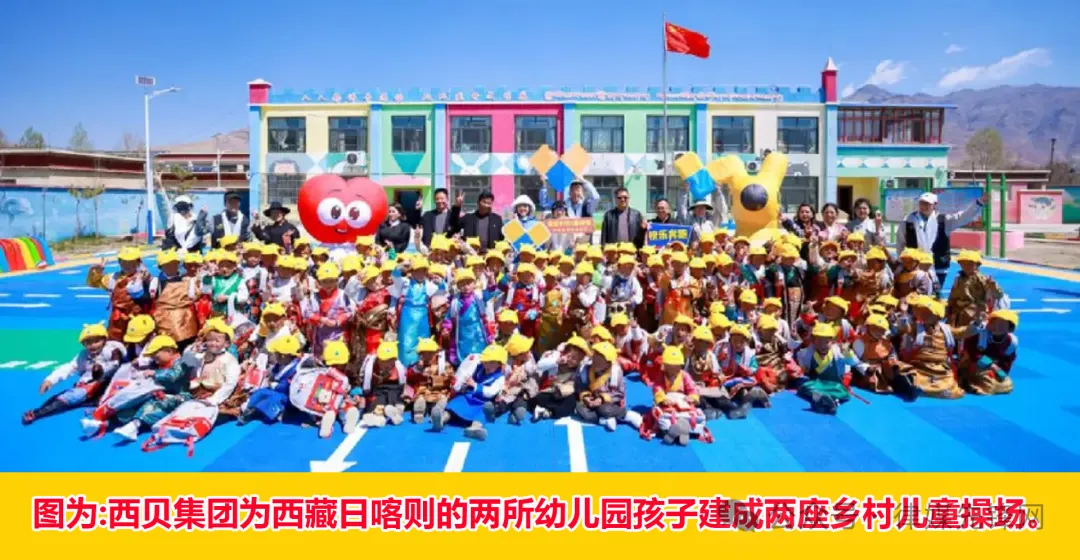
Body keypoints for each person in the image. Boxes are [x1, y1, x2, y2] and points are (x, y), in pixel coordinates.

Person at [896, 191, 985, 291]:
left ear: (935, 205)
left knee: (935, 293)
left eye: (927, 204)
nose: (924, 206)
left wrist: (978, 203)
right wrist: (901, 261)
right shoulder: (908, 220)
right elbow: (900, 241)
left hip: (938, 266)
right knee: (915, 294)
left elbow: (963, 217)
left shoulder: (944, 220)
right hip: (914, 266)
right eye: (922, 203)